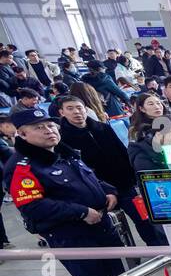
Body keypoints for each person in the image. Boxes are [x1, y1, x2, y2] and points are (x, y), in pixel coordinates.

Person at [7, 108, 137, 276]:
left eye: (50, 125)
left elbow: (90, 178)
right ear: (22, 134)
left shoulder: (65, 152)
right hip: (71, 236)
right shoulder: (22, 167)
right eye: (39, 127)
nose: (49, 131)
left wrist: (109, 191)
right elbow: (32, 206)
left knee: (121, 274)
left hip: (103, 226)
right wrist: (80, 212)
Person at [56, 94, 164, 246]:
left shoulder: (103, 128)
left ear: (86, 109)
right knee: (110, 229)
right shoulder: (62, 139)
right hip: (97, 191)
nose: (76, 112)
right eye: (70, 109)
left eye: (79, 108)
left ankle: (156, 248)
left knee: (143, 220)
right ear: (61, 112)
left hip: (123, 184)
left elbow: (123, 153)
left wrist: (133, 179)